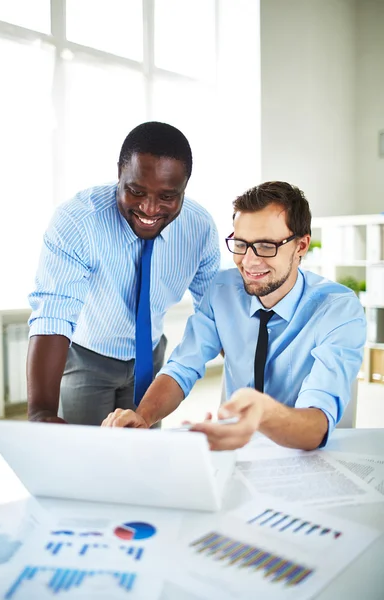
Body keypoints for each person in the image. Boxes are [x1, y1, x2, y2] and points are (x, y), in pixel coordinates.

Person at [102, 181, 366, 451]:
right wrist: (143, 417)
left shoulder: (339, 309)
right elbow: (182, 368)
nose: (249, 261)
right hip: (237, 451)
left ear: (301, 246)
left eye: (265, 246)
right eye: (241, 244)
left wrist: (260, 415)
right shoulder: (221, 290)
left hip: (311, 459)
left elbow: (317, 425)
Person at [27, 121, 220, 425]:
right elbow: (53, 312)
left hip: (151, 357)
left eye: (167, 196)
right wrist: (40, 412)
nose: (149, 208)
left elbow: (217, 310)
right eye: (136, 190)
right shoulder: (78, 221)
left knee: (141, 453)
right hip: (87, 357)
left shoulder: (200, 228)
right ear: (119, 172)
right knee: (87, 456)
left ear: (185, 187)